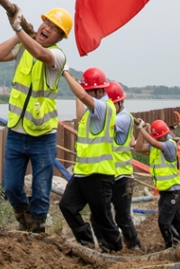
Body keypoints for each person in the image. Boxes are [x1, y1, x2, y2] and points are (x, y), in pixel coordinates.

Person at [0, 7, 72, 233]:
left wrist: (19, 29)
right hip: (16, 131)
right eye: (46, 23)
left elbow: (40, 54)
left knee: (41, 188)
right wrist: (19, 33)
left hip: (42, 135)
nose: (47, 28)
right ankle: (22, 215)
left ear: (60, 37)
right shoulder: (22, 47)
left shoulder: (58, 56)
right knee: (11, 185)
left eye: (55, 29)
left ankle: (38, 228)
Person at [58, 68, 122, 252]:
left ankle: (116, 248)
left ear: (100, 91)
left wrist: (65, 74)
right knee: (67, 206)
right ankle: (86, 242)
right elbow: (80, 110)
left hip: (99, 174)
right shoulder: (90, 112)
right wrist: (79, 91)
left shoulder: (105, 107)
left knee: (103, 218)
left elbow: (85, 98)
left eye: (89, 90)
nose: (85, 94)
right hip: (83, 172)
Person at [135, 119, 180, 249]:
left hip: (173, 191)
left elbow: (152, 142)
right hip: (164, 192)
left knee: (163, 222)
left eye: (158, 136)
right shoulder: (156, 144)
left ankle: (171, 246)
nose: (157, 138)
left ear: (164, 135)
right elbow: (138, 148)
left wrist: (141, 128)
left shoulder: (169, 145)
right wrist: (143, 130)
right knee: (175, 221)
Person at [106, 81, 142, 251]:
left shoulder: (124, 118)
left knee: (122, 217)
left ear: (120, 103)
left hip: (123, 177)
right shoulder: (121, 117)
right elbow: (133, 141)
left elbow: (104, 123)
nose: (109, 107)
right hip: (110, 175)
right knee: (102, 214)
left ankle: (134, 245)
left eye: (112, 104)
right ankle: (112, 246)